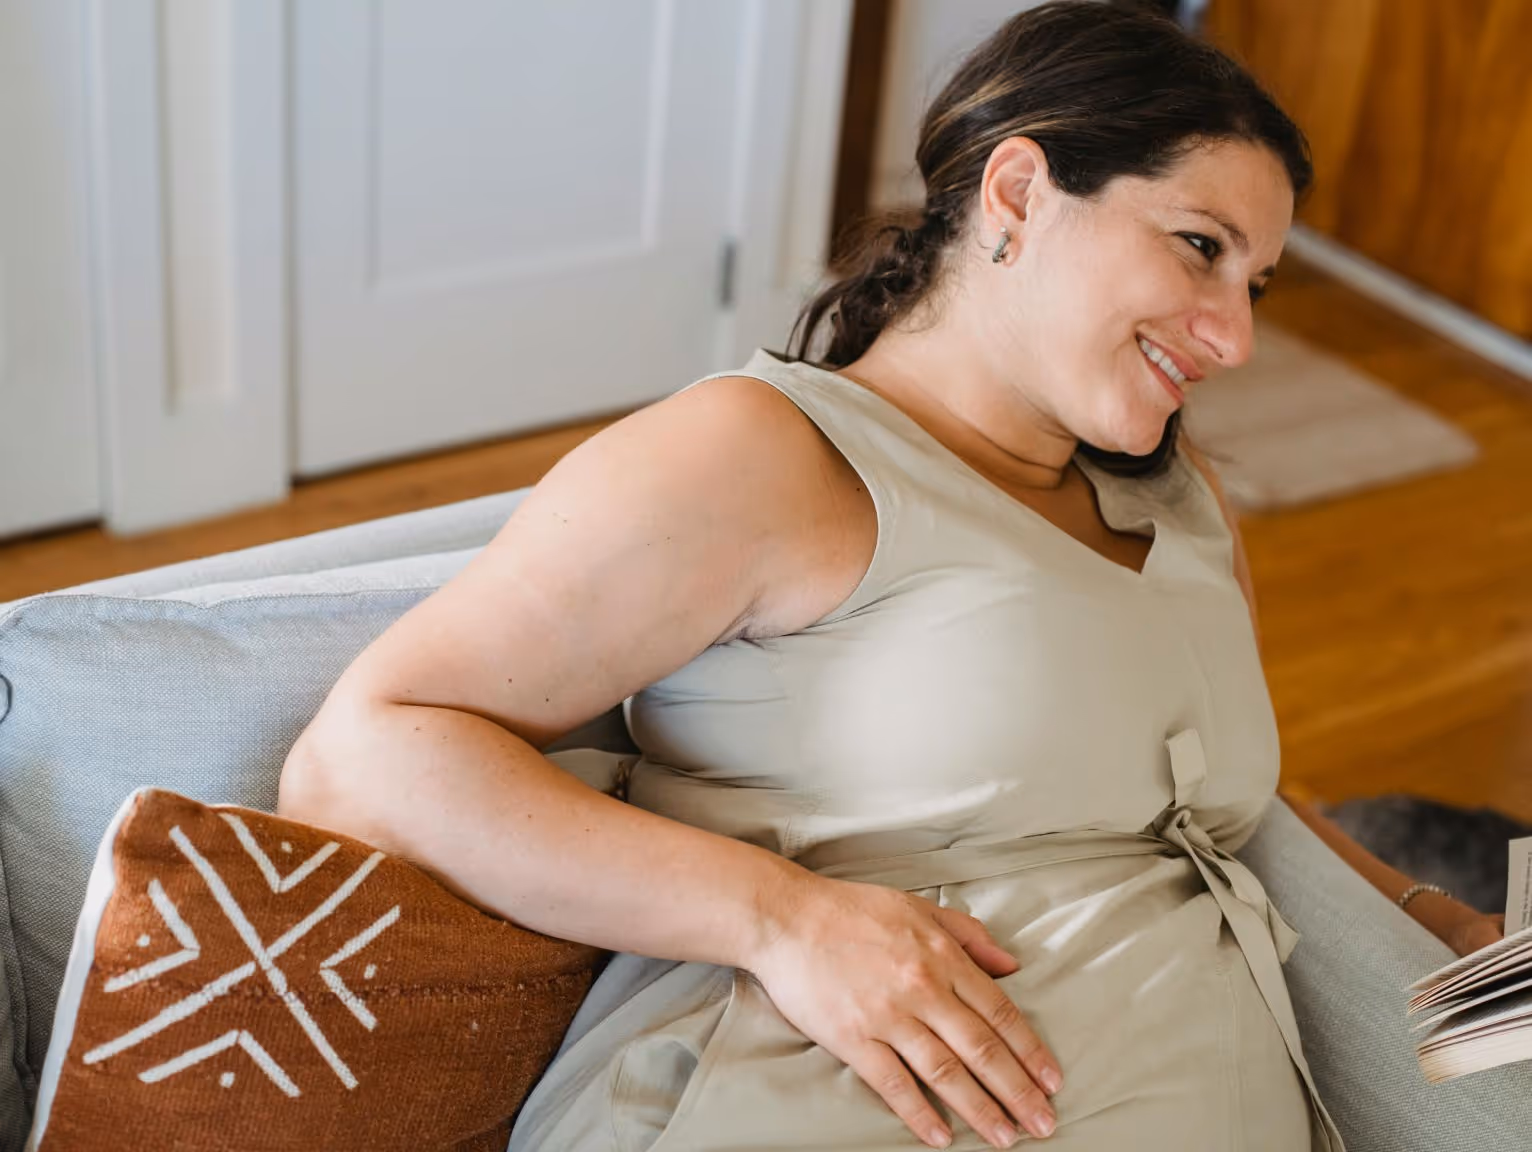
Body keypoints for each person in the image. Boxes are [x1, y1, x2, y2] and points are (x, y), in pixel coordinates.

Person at [277, 3, 1503, 1148]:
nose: (1233, 336)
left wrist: (1431, 917)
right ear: (1017, 193)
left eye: (1255, 285)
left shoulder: (1181, 505)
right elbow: (366, 755)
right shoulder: (766, 458)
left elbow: (1216, 807)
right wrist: (781, 917)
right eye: (1198, 249)